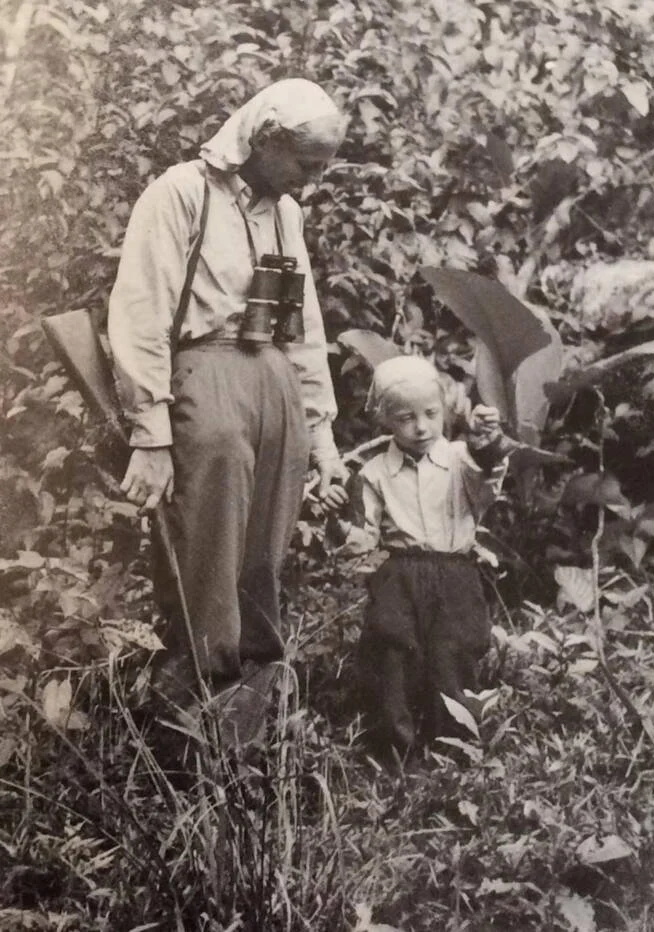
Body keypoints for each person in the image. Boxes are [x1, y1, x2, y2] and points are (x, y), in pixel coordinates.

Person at [108, 79, 349, 735]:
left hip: (272, 379)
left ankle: (251, 729)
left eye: (322, 167)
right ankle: (191, 728)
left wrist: (321, 434)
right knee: (206, 560)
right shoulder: (182, 194)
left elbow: (304, 324)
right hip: (204, 374)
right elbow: (140, 314)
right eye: (306, 164)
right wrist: (151, 434)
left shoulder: (285, 213)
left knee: (262, 563)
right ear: (266, 140)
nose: (313, 180)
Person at [327, 355, 504, 758]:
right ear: (385, 419)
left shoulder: (463, 460)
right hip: (399, 573)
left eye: (430, 413)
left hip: (455, 572)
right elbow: (363, 539)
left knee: (454, 650)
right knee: (391, 649)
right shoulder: (374, 473)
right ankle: (393, 748)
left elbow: (487, 485)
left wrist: (485, 442)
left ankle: (454, 746)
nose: (421, 427)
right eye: (406, 417)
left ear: (445, 409)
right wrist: (337, 520)